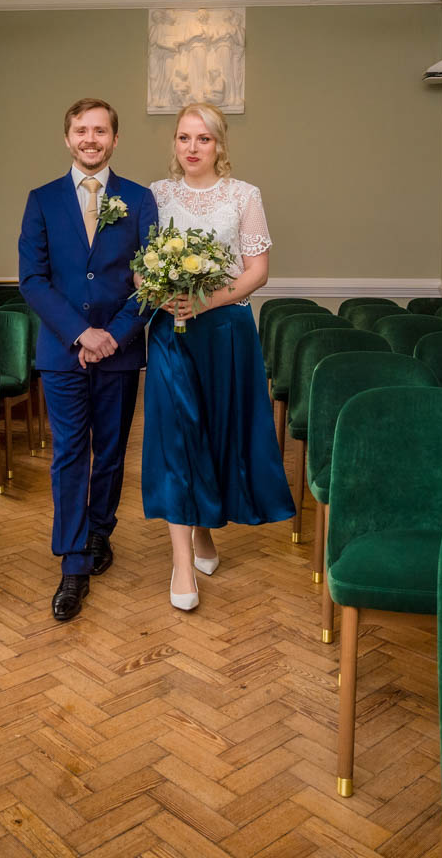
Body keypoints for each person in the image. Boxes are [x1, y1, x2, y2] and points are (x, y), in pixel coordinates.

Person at [141, 103, 294, 611]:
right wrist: (159, 292)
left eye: (202, 139)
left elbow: (257, 271)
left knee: (216, 431)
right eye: (184, 138)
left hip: (226, 331)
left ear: (219, 145)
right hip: (171, 331)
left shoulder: (243, 195)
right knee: (176, 436)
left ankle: (204, 531)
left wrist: (207, 299)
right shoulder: (155, 197)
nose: (191, 148)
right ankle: (182, 565)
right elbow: (137, 268)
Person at [18, 98, 160, 622]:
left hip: (119, 353)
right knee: (70, 454)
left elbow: (153, 282)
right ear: (67, 137)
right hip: (62, 354)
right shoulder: (42, 200)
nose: (91, 139)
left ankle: (100, 530)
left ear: (115, 140)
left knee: (114, 453)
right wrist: (81, 334)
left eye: (101, 131)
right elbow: (33, 280)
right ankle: (73, 562)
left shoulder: (140, 201)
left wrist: (112, 337)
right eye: (82, 130)